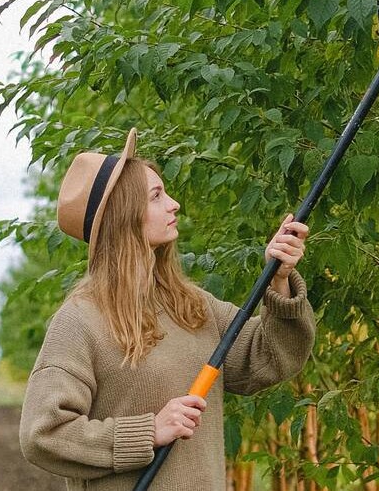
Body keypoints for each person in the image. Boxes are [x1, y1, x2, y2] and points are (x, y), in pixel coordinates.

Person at [18, 129, 317, 490]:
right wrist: (147, 433)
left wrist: (279, 280)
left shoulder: (190, 305)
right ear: (124, 215)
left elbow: (268, 357)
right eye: (156, 196)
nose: (174, 204)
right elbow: (43, 433)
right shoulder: (81, 320)